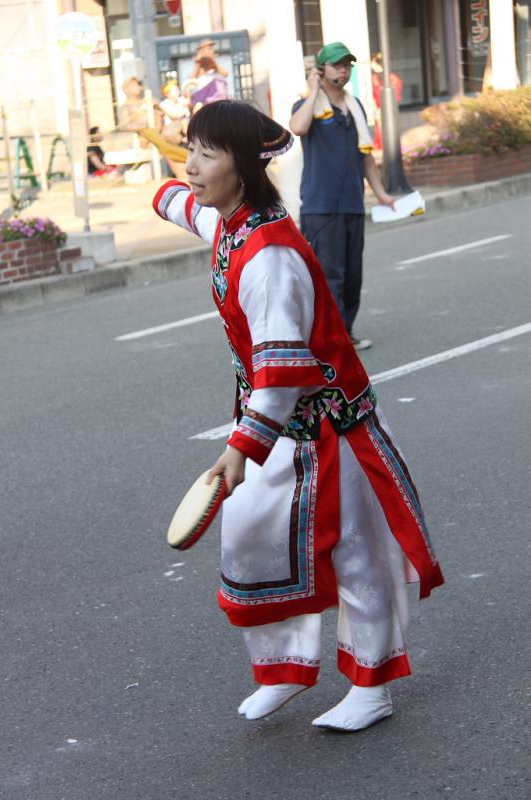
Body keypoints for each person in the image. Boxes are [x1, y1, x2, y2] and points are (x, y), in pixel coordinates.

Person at [152, 100, 443, 731]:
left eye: (208, 152)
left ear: (246, 166)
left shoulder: (270, 257)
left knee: (356, 558)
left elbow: (281, 370)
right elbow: (178, 202)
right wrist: (166, 183)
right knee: (255, 542)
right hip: (281, 432)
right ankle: (284, 671)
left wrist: (238, 450)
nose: (193, 165)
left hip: (333, 428)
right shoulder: (229, 224)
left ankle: (372, 686)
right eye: (191, 149)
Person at [290, 42, 395, 351]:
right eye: (337, 65)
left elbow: (365, 158)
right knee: (329, 275)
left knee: (352, 276)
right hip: (321, 206)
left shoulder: (356, 106)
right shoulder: (307, 105)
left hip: (352, 203)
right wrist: (311, 91)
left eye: (347, 64)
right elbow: (297, 128)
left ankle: (344, 332)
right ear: (321, 70)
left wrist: (382, 194)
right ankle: (332, 339)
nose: (344, 70)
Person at [370, 53, 403, 151]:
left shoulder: (391, 78)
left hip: (386, 106)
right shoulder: (376, 78)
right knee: (380, 127)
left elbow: (396, 93)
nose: (371, 66)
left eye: (372, 63)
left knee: (386, 128)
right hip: (379, 106)